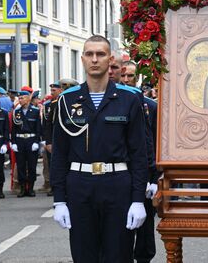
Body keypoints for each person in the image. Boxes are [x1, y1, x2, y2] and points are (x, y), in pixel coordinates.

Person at [51, 35, 148, 262]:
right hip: (80, 186)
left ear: (110, 60)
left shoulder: (129, 98)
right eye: (90, 54)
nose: (95, 59)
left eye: (101, 54)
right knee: (84, 255)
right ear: (83, 59)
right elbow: (60, 154)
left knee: (119, 255)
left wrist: (137, 200)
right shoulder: (67, 100)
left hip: (117, 185)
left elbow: (139, 153)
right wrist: (59, 200)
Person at [119, 59, 159, 263]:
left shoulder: (151, 107)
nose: (126, 79)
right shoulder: (112, 105)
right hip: (119, 174)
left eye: (130, 76)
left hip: (143, 174)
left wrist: (154, 178)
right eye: (123, 75)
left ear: (137, 79)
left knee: (144, 227)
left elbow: (153, 143)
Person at [11, 89, 41, 197]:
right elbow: (14, 129)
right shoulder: (16, 112)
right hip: (20, 141)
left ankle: (31, 188)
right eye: (19, 98)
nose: (20, 100)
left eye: (22, 98)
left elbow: (38, 128)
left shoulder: (35, 111)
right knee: (21, 165)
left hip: (31, 140)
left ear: (28, 99)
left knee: (32, 166)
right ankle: (23, 188)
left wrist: (37, 141)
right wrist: (13, 142)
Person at [41, 81, 64, 196]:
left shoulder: (67, 102)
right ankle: (54, 187)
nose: (52, 93)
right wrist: (47, 141)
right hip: (54, 139)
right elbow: (47, 124)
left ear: (61, 90)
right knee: (52, 165)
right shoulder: (50, 105)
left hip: (64, 139)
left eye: (54, 90)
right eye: (51, 90)